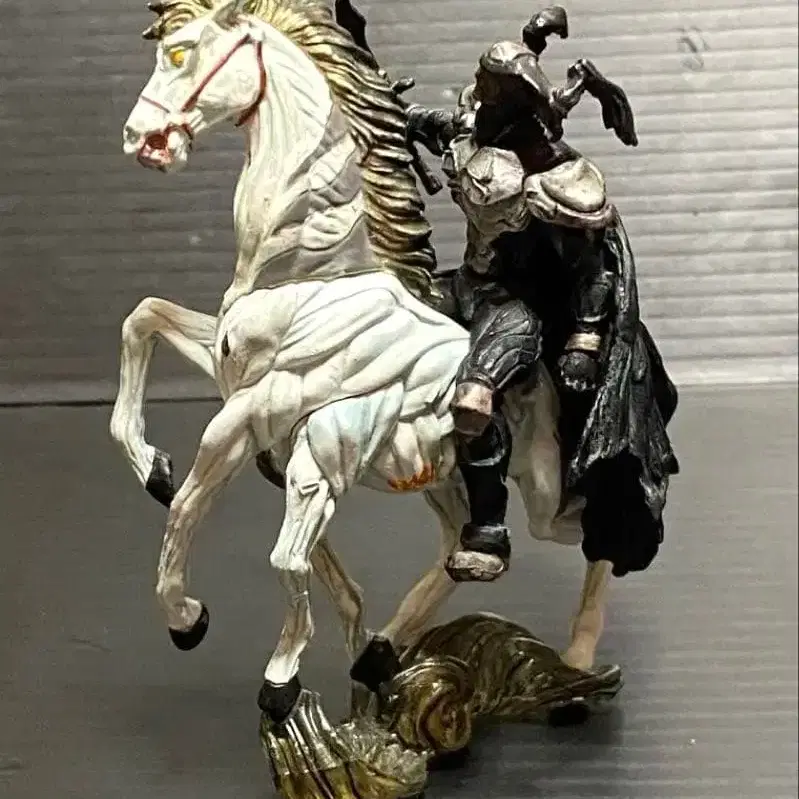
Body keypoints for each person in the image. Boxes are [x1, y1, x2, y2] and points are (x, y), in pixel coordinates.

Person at [404, 6, 680, 583]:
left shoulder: (558, 180)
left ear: (514, 102)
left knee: (476, 395)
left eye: (489, 88)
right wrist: (392, 116)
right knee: (385, 308)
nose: (478, 94)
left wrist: (584, 340)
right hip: (465, 283)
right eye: (480, 83)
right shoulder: (474, 128)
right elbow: (438, 127)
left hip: (519, 307)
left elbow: (594, 269)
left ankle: (487, 529)